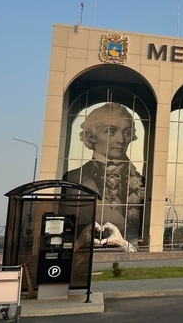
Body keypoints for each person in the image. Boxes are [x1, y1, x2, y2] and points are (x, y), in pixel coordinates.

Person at [63, 102, 145, 252]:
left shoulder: (141, 182)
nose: (121, 139)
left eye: (127, 132)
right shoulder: (73, 179)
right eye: (111, 131)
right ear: (92, 135)